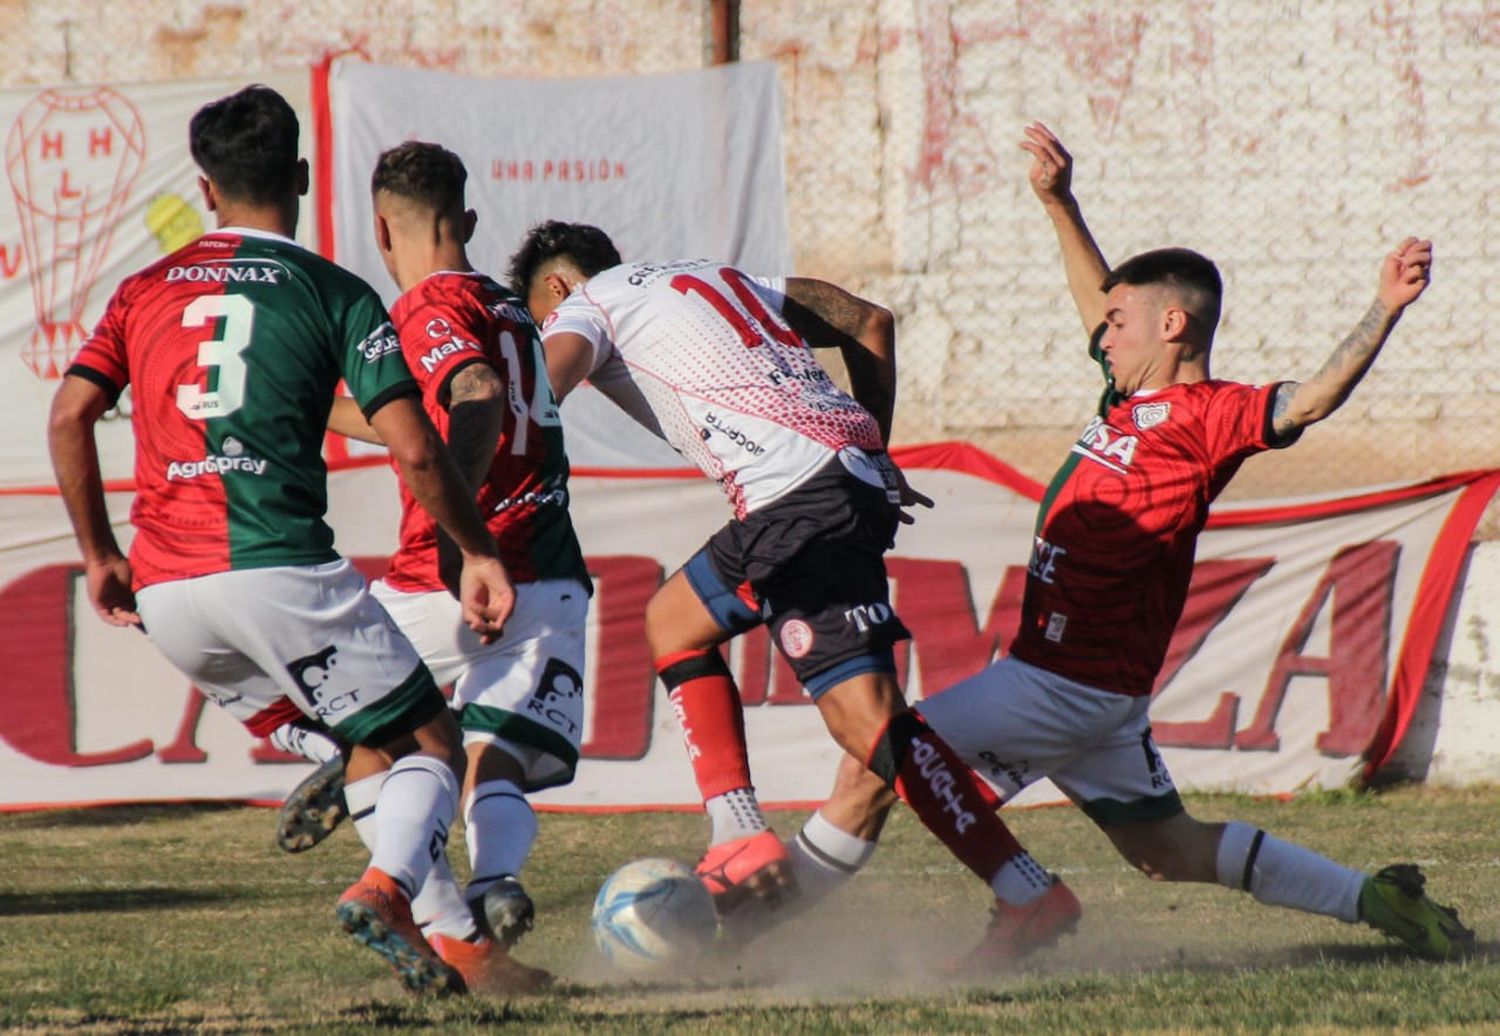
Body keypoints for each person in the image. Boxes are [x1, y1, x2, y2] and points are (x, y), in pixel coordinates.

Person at [770, 121, 1473, 962]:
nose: (1100, 333)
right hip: (1094, 689)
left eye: (1117, 322)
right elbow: (1096, 295)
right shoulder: (1125, 401)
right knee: (1164, 849)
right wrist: (1059, 202)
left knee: (876, 760)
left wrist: (1384, 308)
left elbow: (1310, 399)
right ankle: (1379, 901)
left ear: (1171, 322)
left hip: (1061, 683)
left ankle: (746, 926)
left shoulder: (1210, 416)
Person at [47, 85, 516, 996]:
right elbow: (418, 447)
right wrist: (480, 548)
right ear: (299, 177)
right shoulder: (333, 290)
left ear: (207, 190)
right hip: (280, 575)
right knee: (432, 740)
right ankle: (385, 891)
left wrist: (101, 554)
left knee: (372, 748)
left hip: (169, 598)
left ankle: (454, 940)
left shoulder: (140, 291)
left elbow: (71, 414)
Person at [508, 222, 1073, 967]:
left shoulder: (589, 303)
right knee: (672, 619)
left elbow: (542, 387)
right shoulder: (719, 275)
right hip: (826, 485)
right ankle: (737, 830)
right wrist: (869, 449)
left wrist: (474, 416)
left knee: (867, 724)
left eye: (544, 316)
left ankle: (1027, 891)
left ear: (555, 288)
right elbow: (869, 320)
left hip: (794, 500)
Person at [308, 140, 591, 993]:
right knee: (496, 755)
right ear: (465, 221)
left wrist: (458, 528)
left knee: (380, 753)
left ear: (381, 232)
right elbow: (467, 400)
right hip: (535, 575)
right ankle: (489, 887)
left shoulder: (421, 307)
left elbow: (468, 400)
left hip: (435, 578)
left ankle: (427, 914)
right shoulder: (511, 312)